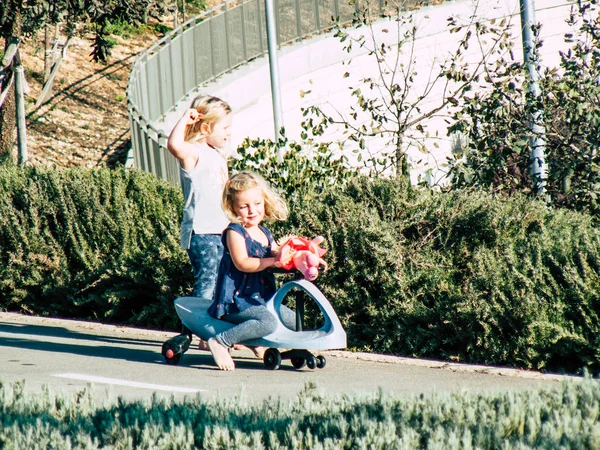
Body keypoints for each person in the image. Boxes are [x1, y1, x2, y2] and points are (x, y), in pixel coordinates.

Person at [207, 171, 312, 371]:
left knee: (292, 319)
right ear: (233, 207)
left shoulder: (264, 232)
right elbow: (243, 263)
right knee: (268, 323)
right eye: (244, 206)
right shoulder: (234, 232)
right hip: (237, 301)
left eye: (257, 204)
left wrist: (299, 259)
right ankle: (221, 341)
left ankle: (266, 346)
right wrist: (273, 260)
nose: (252, 210)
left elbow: (277, 259)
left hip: (261, 298)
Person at [167, 94, 233, 350]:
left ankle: (213, 331)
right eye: (224, 128)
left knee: (220, 283)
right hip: (202, 231)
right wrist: (186, 119)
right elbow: (174, 145)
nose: (229, 133)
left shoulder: (217, 155)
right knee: (206, 283)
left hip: (222, 230)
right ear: (206, 128)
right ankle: (195, 331)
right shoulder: (193, 152)